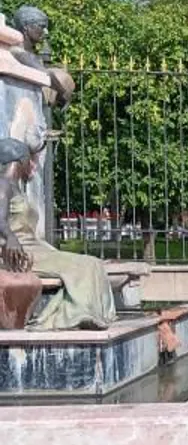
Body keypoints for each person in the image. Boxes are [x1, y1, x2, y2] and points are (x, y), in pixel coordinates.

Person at [0, 137, 116, 330]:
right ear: (20, 160)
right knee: (85, 266)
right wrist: (10, 238)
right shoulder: (3, 184)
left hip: (35, 247)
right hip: (19, 252)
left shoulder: (15, 187)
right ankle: (74, 316)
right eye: (30, 160)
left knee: (93, 263)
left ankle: (90, 313)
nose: (32, 165)